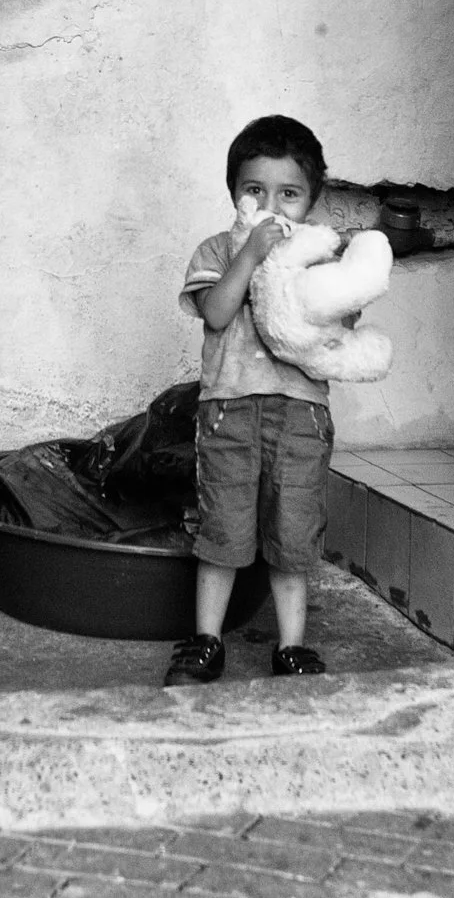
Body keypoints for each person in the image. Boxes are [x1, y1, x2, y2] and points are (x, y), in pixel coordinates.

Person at [168, 114, 336, 684]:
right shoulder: (216, 249)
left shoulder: (320, 255)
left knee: (292, 535)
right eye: (254, 190)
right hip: (230, 411)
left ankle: (292, 648)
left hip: (299, 414)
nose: (271, 205)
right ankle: (206, 642)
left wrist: (307, 272)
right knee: (223, 530)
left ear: (311, 200)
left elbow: (336, 320)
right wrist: (251, 254)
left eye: (288, 194)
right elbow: (216, 313)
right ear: (234, 194)